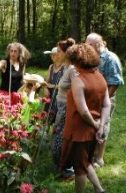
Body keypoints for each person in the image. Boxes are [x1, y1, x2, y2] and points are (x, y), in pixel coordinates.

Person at [60, 43, 111, 193]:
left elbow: (83, 111)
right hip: (92, 129)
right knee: (85, 161)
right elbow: (107, 104)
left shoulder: (78, 80)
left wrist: (97, 126)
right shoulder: (100, 77)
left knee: (79, 168)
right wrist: (100, 126)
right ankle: (99, 190)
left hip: (79, 131)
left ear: (77, 61)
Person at [85, 32, 124, 167]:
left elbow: (116, 82)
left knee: (103, 125)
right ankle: (92, 154)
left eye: (89, 44)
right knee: (93, 125)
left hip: (106, 100)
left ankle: (99, 158)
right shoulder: (93, 56)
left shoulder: (110, 58)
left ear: (97, 44)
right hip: (93, 99)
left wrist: (104, 100)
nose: (86, 47)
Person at [50, 38, 77, 178]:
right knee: (57, 135)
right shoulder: (65, 67)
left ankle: (67, 169)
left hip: (67, 107)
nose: (56, 54)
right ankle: (61, 166)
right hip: (61, 106)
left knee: (62, 137)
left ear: (66, 53)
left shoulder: (72, 69)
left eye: (59, 52)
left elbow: (78, 89)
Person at [43, 47, 64, 124]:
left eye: (54, 55)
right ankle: (44, 133)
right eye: (51, 55)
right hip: (50, 95)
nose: (52, 57)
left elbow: (66, 85)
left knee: (57, 120)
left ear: (59, 55)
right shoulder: (51, 66)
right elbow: (46, 81)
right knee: (46, 117)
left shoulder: (65, 67)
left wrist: (52, 86)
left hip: (60, 96)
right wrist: (45, 88)